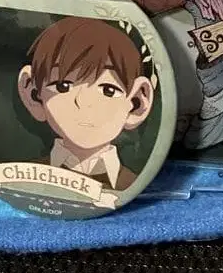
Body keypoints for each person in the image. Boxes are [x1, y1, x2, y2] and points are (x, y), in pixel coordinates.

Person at [17, 17, 154, 191]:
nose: (83, 101)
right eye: (62, 86)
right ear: (33, 94)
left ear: (137, 103)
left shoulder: (135, 185)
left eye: (109, 90)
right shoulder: (20, 179)